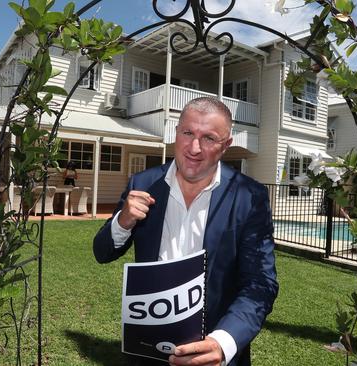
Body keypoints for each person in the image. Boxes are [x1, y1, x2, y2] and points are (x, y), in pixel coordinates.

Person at [93, 97, 278, 366]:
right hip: (148, 348)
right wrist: (123, 221)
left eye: (209, 138)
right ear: (176, 132)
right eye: (188, 133)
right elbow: (102, 252)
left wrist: (223, 342)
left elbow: (261, 283)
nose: (194, 148)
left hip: (212, 349)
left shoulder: (249, 196)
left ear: (226, 146)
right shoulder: (144, 183)